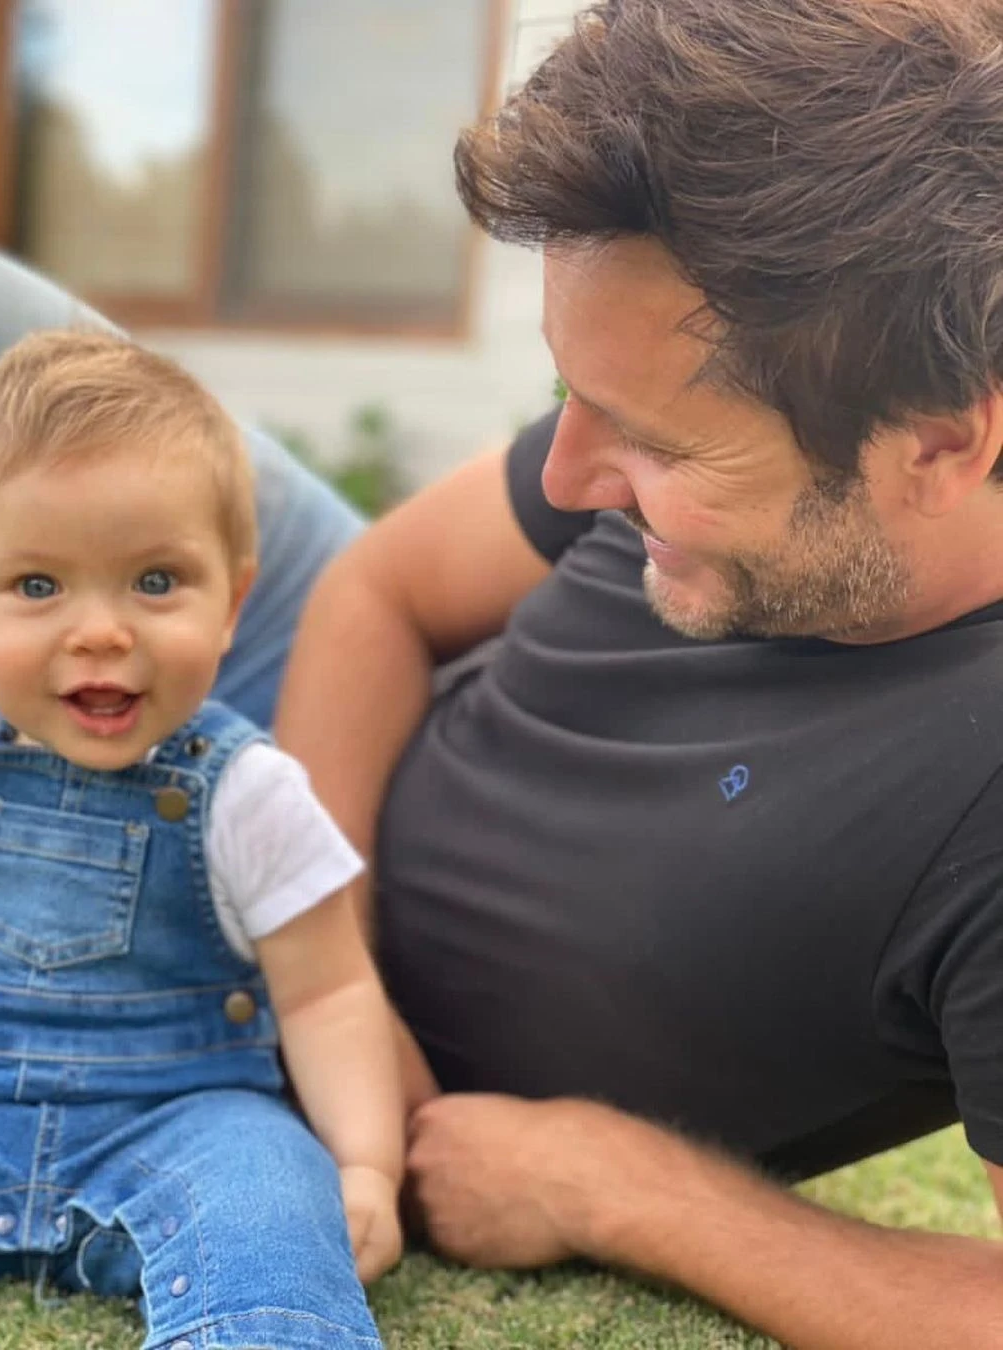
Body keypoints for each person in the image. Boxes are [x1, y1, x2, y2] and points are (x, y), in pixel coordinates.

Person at [273, 0, 1003, 1345]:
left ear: (941, 448)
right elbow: (378, 590)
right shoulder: (666, 416)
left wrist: (613, 1188)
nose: (565, 482)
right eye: (570, 397)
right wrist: (321, 962)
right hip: (323, 784)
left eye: (659, 446)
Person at [0, 330, 401, 1350]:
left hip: (171, 1134)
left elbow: (328, 994)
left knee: (272, 1183)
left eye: (154, 581)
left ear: (232, 603)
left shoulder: (248, 793)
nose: (102, 631)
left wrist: (366, 1164)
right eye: (38, 586)